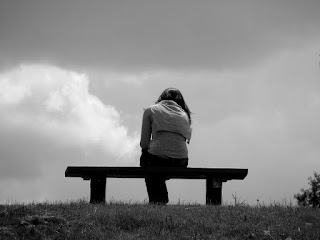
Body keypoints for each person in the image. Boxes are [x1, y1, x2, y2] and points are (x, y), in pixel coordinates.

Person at [140, 88, 192, 204]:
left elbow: (144, 143)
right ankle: (161, 198)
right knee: (157, 161)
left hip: (157, 160)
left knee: (147, 158)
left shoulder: (150, 111)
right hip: (181, 162)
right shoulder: (185, 115)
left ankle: (157, 200)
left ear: (161, 98)